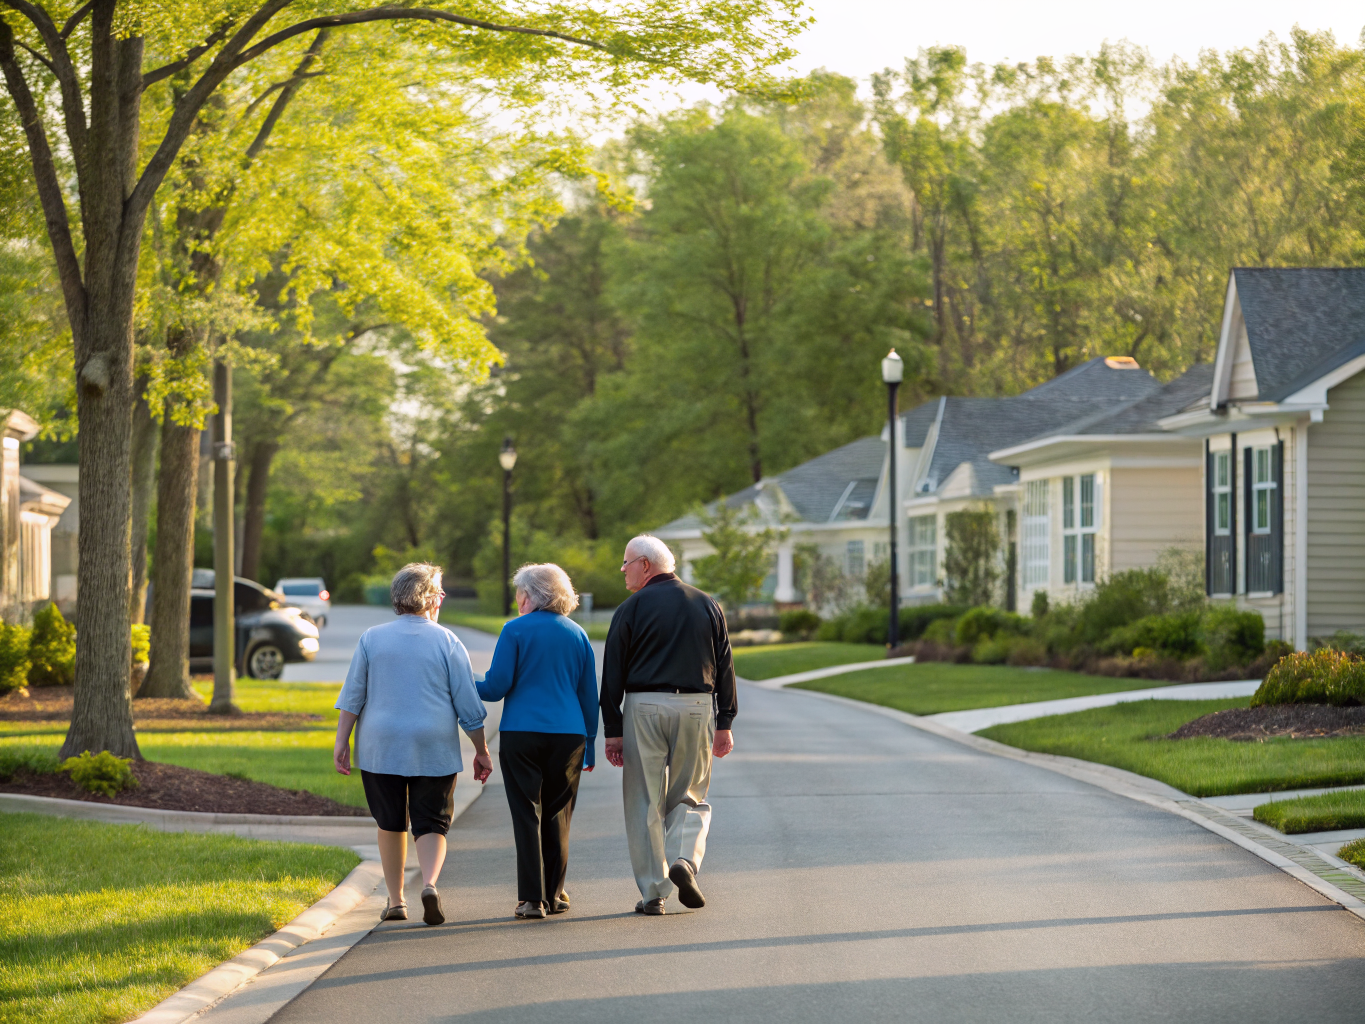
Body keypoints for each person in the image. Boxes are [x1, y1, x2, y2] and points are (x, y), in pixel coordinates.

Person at [333, 562, 492, 926]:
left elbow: (353, 694)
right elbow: (468, 705)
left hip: (380, 744)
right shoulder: (448, 641)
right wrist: (481, 750)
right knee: (432, 821)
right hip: (433, 743)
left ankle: (395, 901)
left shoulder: (371, 638)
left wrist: (341, 741)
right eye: (440, 590)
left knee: (390, 821)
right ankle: (430, 884)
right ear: (431, 598)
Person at [600, 534, 736, 915]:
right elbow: (725, 665)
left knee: (643, 799)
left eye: (626, 562)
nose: (623, 570)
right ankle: (684, 860)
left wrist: (613, 729)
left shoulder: (631, 608)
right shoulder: (707, 604)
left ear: (645, 564)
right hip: (696, 706)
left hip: (643, 707)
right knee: (690, 793)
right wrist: (725, 720)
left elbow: (613, 672)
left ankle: (653, 893)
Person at [477, 563, 598, 920]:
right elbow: (588, 696)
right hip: (569, 735)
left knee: (526, 813)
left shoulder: (513, 631)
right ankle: (556, 894)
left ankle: (531, 900)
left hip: (521, 733)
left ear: (529, 595)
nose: (518, 600)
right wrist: (589, 741)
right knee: (558, 813)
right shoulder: (578, 634)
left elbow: (495, 687)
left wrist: (464, 679)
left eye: (519, 593)